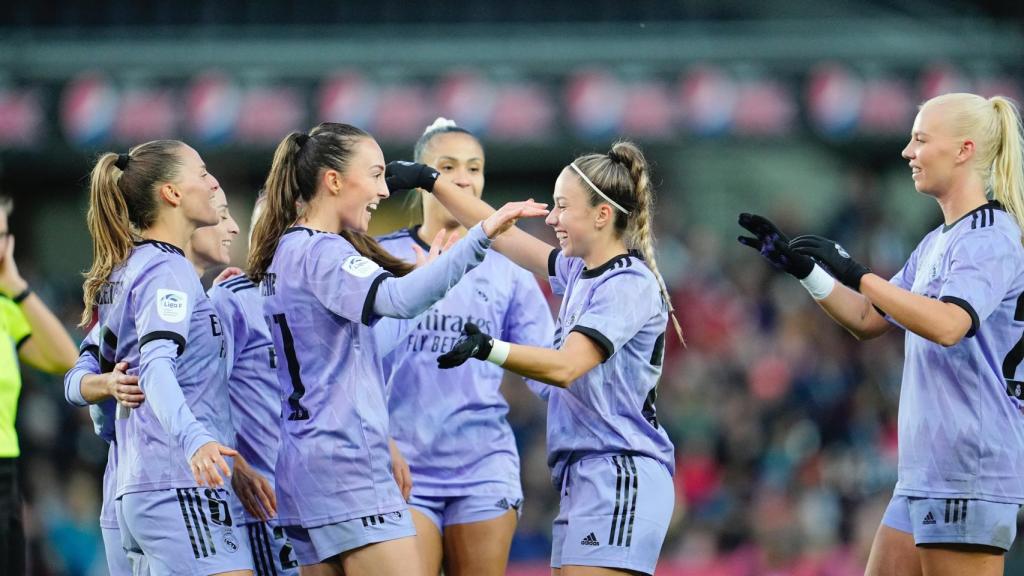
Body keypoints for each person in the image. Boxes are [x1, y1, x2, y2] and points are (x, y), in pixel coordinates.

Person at [738, 93, 1024, 576]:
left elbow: (949, 325)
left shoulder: (990, 236)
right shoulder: (940, 240)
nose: (907, 153)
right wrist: (809, 271)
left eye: (920, 139)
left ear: (964, 150)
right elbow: (872, 318)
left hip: (967, 466)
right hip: (927, 469)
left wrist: (857, 272)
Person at [246, 122, 547, 576]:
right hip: (350, 463)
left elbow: (371, 341)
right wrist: (481, 235)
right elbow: (400, 300)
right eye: (373, 175)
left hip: (305, 465)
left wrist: (431, 274)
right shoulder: (325, 252)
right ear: (333, 180)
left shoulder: (288, 249)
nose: (383, 190)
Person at [422, 140, 681, 576]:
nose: (553, 218)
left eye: (562, 206)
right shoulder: (580, 270)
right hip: (586, 475)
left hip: (619, 472)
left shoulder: (628, 283)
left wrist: (490, 348)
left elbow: (565, 367)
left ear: (602, 215)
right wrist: (430, 181)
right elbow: (502, 235)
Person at [375, 118, 554, 576]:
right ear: (421, 176)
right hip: (401, 462)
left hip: (482, 461)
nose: (462, 178)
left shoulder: (509, 267)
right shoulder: (379, 256)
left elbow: (547, 367)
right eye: (447, 166)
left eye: (474, 168)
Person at [80, 140, 253, 575]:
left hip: (137, 485)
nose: (212, 183)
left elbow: (92, 383)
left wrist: (108, 413)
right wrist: (196, 439)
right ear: (172, 194)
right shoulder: (166, 270)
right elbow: (156, 365)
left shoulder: (129, 269)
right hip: (179, 483)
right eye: (202, 173)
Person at [0, 194, 78, 574]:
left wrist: (15, 284)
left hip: (5, 472)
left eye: (2, 234)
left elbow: (66, 357)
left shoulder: (5, 309)